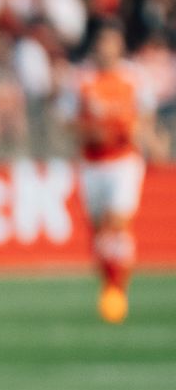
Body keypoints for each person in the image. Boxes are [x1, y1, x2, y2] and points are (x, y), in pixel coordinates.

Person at [76, 21, 150, 324]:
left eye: (113, 42)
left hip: (123, 161)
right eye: (103, 43)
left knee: (119, 224)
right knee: (98, 232)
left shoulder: (132, 79)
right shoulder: (82, 80)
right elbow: (69, 121)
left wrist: (139, 135)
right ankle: (108, 283)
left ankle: (118, 289)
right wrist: (91, 131)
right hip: (93, 162)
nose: (107, 48)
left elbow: (142, 117)